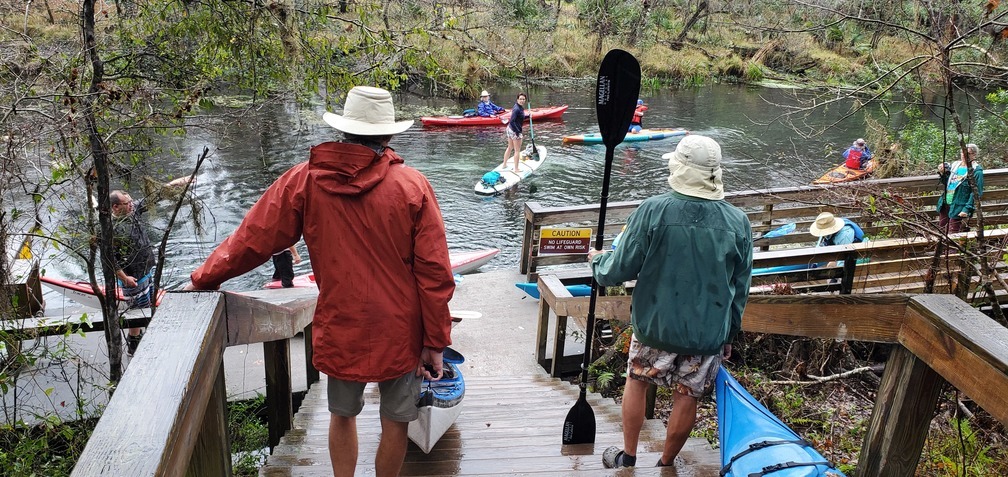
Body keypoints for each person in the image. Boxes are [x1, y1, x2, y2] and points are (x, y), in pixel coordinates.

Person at [183, 85, 455, 477]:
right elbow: (435, 275)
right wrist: (435, 340)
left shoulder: (304, 180)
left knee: (341, 414)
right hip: (401, 327)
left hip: (342, 320)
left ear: (344, 130)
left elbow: (252, 239)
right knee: (396, 420)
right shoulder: (412, 186)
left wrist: (203, 279)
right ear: (389, 133)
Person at [588, 135, 752, 469]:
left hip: (655, 326)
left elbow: (618, 269)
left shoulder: (653, 210)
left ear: (679, 168)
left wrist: (596, 262)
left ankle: (628, 456)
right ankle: (665, 463)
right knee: (687, 394)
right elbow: (740, 287)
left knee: (637, 380)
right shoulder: (738, 222)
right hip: (706, 334)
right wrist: (729, 334)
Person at [109, 176, 190, 356]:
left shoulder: (133, 211)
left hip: (146, 270)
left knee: (145, 307)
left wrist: (180, 182)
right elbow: (110, 259)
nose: (131, 204)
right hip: (132, 277)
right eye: (126, 203)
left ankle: (138, 340)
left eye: (131, 201)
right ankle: (133, 346)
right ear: (116, 207)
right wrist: (124, 278)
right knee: (137, 312)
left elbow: (156, 195)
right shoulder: (111, 229)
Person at [937, 143, 984, 234]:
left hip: (959, 205)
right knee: (942, 230)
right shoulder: (955, 165)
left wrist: (967, 208)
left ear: (974, 155)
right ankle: (942, 248)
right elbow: (948, 183)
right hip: (946, 201)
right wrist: (943, 173)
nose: (964, 155)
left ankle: (952, 249)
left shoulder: (976, 171)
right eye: (962, 152)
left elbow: (977, 192)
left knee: (953, 232)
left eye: (968, 153)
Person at [502, 92, 527, 174]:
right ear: (517, 99)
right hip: (514, 130)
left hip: (509, 129)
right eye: (520, 99)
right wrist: (517, 132)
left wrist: (527, 116)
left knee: (510, 147)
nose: (522, 101)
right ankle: (516, 169)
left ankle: (504, 165)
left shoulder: (519, 107)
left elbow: (520, 117)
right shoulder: (517, 109)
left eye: (523, 99)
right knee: (517, 150)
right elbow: (512, 121)